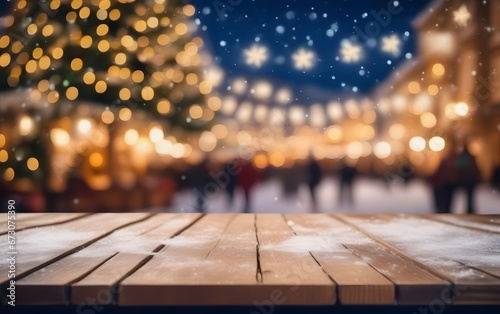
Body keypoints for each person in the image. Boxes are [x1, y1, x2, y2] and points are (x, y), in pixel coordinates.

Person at [456, 145, 481, 214]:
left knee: (468, 196)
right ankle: (470, 209)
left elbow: (461, 168)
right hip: (471, 180)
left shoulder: (462, 158)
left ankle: (469, 209)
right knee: (470, 196)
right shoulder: (471, 158)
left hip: (466, 180)